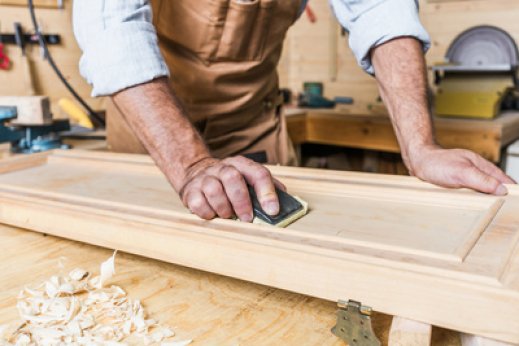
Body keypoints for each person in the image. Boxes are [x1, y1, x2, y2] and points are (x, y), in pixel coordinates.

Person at [73, 0, 514, 222]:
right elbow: (113, 31)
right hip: (156, 139)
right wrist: (191, 164)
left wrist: (420, 147)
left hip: (255, 122)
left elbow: (381, 9)